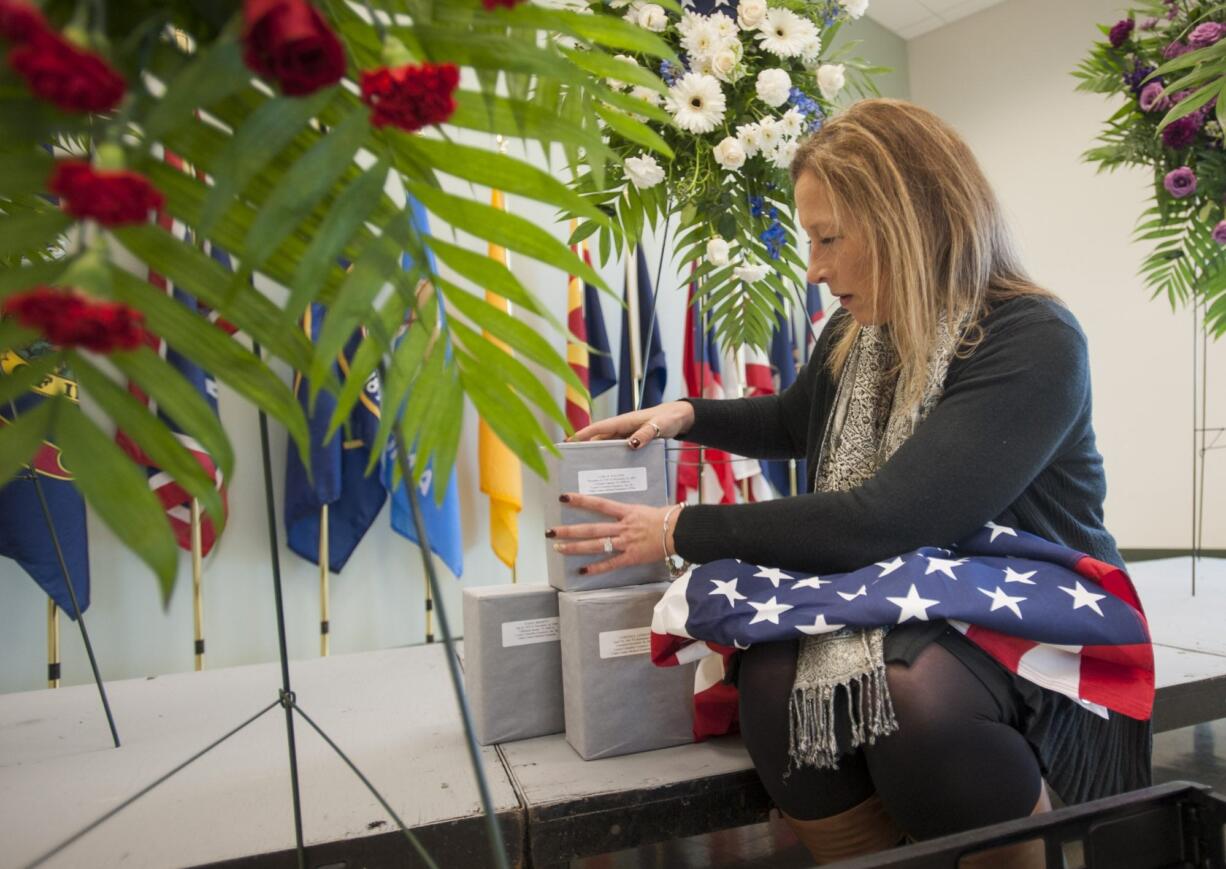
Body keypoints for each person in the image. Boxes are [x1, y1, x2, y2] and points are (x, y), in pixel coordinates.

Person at [550, 99, 1151, 866]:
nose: (816, 269)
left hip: (1034, 602)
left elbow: (883, 518)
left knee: (913, 698)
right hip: (910, 581)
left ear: (911, 221)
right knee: (771, 674)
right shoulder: (856, 330)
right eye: (811, 240)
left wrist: (676, 530)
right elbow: (798, 419)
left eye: (829, 238)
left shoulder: (1033, 340)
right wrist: (684, 413)